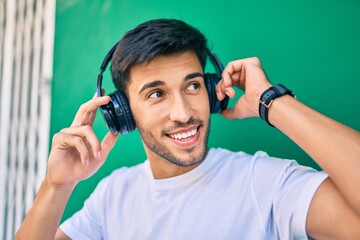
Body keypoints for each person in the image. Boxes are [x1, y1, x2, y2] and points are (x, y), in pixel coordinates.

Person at [16, 19, 360, 240]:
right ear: (122, 111)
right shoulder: (114, 194)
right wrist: (57, 185)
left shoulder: (262, 181)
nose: (182, 113)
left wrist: (271, 102)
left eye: (193, 86)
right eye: (156, 93)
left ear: (212, 91)